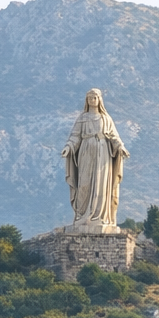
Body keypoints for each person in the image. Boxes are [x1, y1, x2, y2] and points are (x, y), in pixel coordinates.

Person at [61, 88, 129, 231]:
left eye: (95, 98)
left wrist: (120, 147)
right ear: (86, 100)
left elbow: (114, 136)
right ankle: (82, 215)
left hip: (103, 154)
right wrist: (69, 147)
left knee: (101, 184)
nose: (92, 100)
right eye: (90, 98)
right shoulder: (82, 118)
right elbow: (75, 136)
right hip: (86, 152)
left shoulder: (106, 119)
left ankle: (100, 217)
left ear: (99, 100)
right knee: (84, 184)